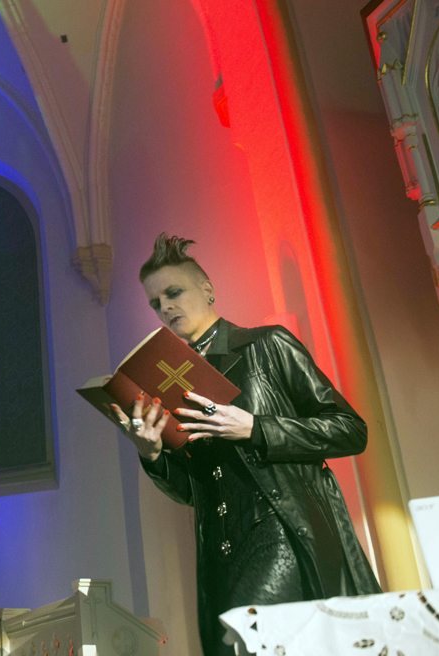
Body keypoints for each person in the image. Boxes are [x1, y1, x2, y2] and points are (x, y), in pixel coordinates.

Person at [111, 234, 381, 656]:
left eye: (173, 292)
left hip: (283, 531)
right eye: (154, 302)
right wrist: (153, 454)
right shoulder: (173, 386)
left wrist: (256, 427)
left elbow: (350, 429)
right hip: (219, 554)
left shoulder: (267, 345)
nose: (163, 307)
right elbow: (191, 490)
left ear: (208, 290)